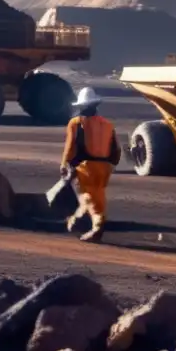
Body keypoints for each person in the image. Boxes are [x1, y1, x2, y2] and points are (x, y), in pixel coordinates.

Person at [61, 86, 122, 243]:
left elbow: (70, 145)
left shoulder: (75, 123)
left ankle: (97, 225)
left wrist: (65, 164)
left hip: (86, 166)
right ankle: (78, 218)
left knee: (86, 195)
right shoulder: (108, 124)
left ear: (81, 106)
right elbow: (116, 148)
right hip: (104, 167)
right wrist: (111, 165)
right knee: (98, 196)